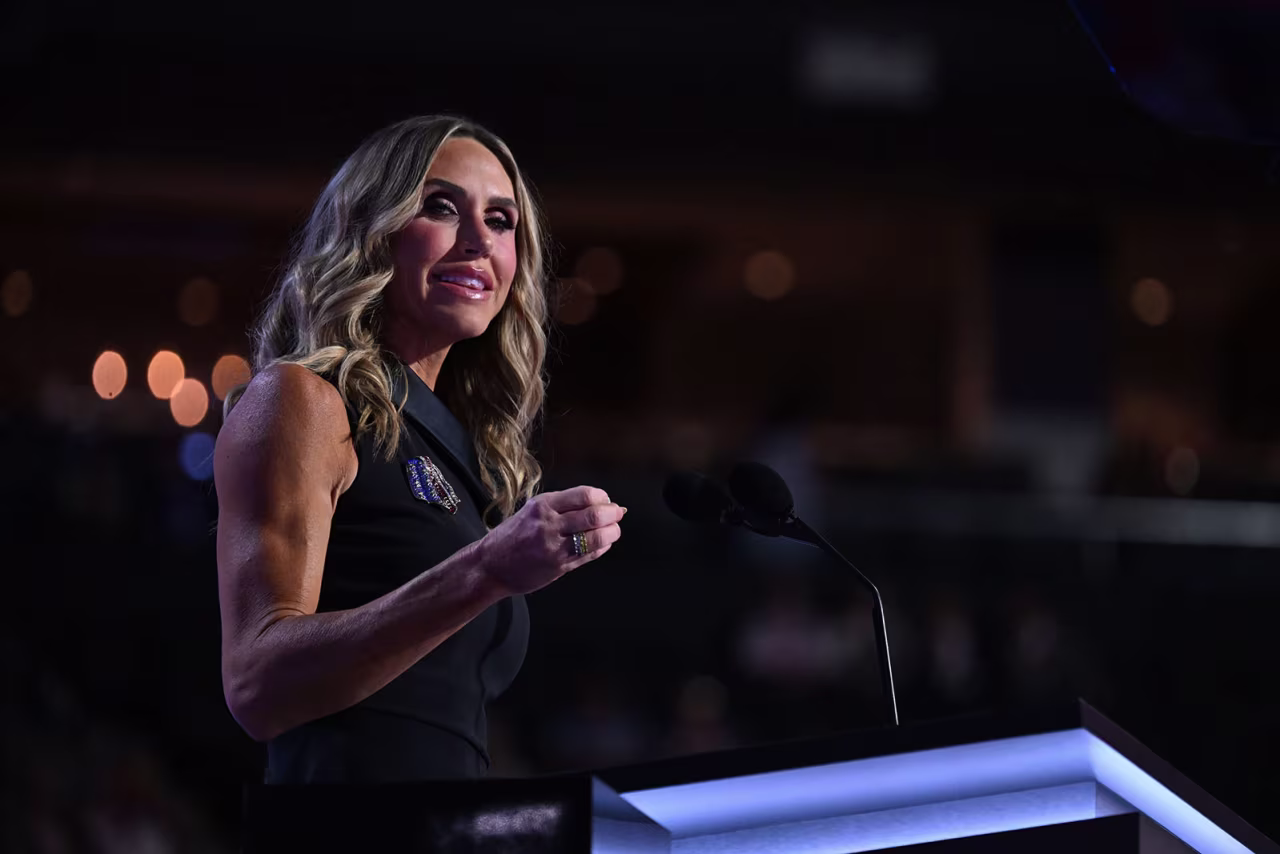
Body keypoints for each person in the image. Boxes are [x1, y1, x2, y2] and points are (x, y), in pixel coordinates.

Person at [213, 115, 625, 783]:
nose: (477, 243)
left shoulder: (466, 449)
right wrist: (485, 569)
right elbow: (258, 685)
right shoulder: (304, 400)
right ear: (370, 229)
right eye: (440, 207)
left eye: (500, 221)